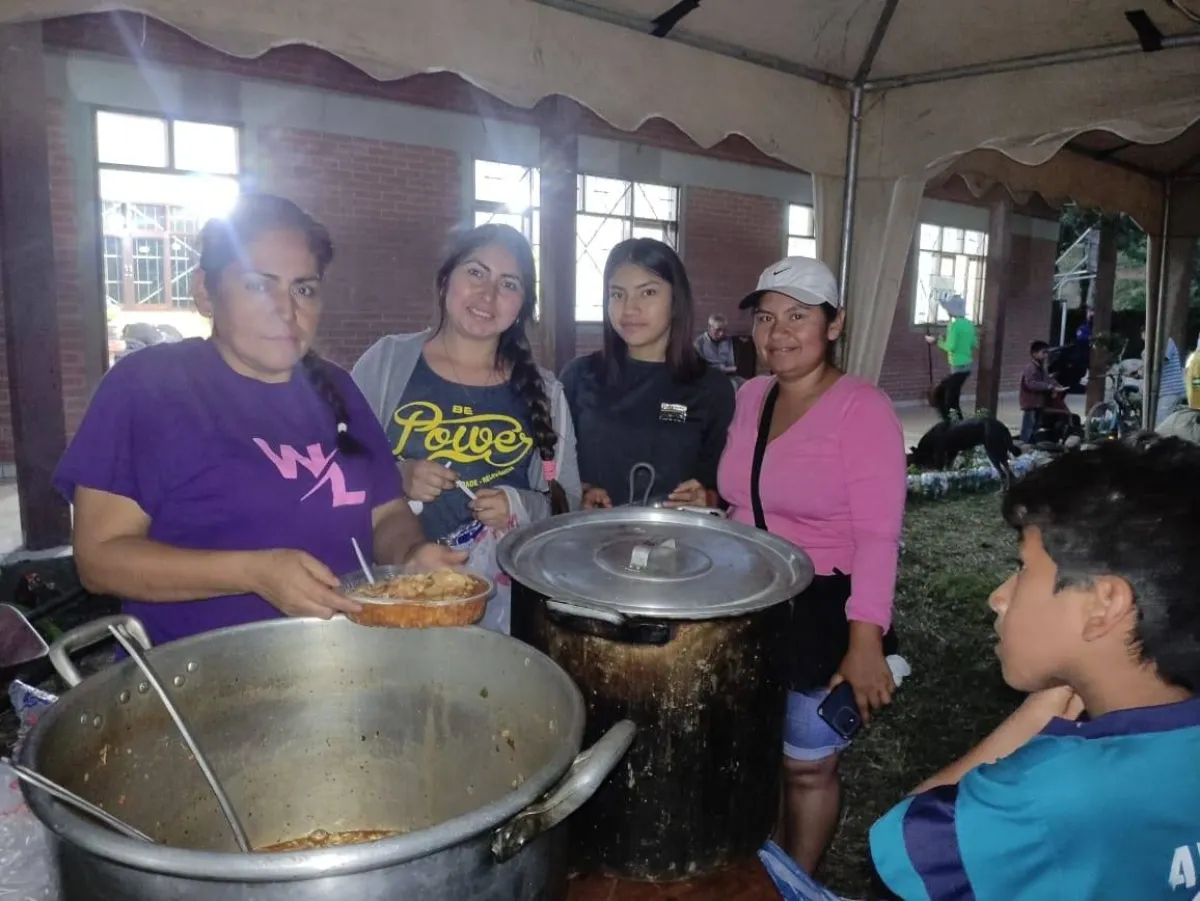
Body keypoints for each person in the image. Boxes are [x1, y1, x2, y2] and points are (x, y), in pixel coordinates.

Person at [54, 194, 459, 647]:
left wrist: (410, 557)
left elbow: (386, 513)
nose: (286, 311)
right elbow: (100, 560)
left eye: (303, 289)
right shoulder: (150, 386)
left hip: (345, 659)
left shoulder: (338, 388)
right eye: (258, 285)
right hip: (198, 673)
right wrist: (254, 573)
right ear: (205, 292)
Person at [870, 437, 1200, 900]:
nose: (999, 597)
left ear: (1103, 605)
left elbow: (904, 847)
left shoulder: (1042, 798)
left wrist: (1040, 711)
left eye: (1023, 568)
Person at [716, 256, 907, 874]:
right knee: (762, 750)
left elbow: (878, 534)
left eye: (798, 316)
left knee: (807, 765)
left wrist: (865, 641)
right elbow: (747, 495)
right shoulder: (751, 395)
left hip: (823, 607)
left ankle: (795, 885)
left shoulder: (862, 409)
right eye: (766, 317)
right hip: (751, 600)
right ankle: (765, 864)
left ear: (835, 323)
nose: (777, 333)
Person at [351, 223, 579, 632]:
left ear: (522, 305)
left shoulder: (545, 392)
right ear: (445, 280)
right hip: (395, 597)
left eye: (509, 284)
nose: (488, 295)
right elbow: (338, 472)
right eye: (475, 272)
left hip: (499, 611)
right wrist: (397, 475)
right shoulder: (386, 363)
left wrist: (518, 504)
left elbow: (567, 506)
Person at [560, 238, 734, 509]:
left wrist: (707, 498)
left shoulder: (712, 388)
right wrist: (578, 492)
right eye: (617, 294)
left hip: (674, 534)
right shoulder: (579, 377)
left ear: (676, 301)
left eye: (648, 292)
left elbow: (723, 489)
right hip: (590, 532)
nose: (629, 309)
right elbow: (551, 467)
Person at [924, 294, 977, 421]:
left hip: (957, 364)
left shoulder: (954, 325)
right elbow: (974, 344)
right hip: (967, 365)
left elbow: (951, 346)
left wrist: (937, 341)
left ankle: (954, 423)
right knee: (952, 395)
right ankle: (955, 422)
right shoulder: (969, 324)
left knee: (947, 397)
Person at [1018, 340, 1066, 443]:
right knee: (1029, 427)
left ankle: (1030, 444)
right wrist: (1049, 387)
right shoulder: (1031, 368)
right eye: (1043, 352)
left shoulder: (1040, 367)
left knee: (1035, 426)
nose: (1045, 355)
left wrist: (1057, 385)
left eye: (1046, 353)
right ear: (1034, 353)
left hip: (1038, 403)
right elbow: (1031, 384)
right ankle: (1025, 444)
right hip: (1031, 403)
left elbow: (1047, 379)